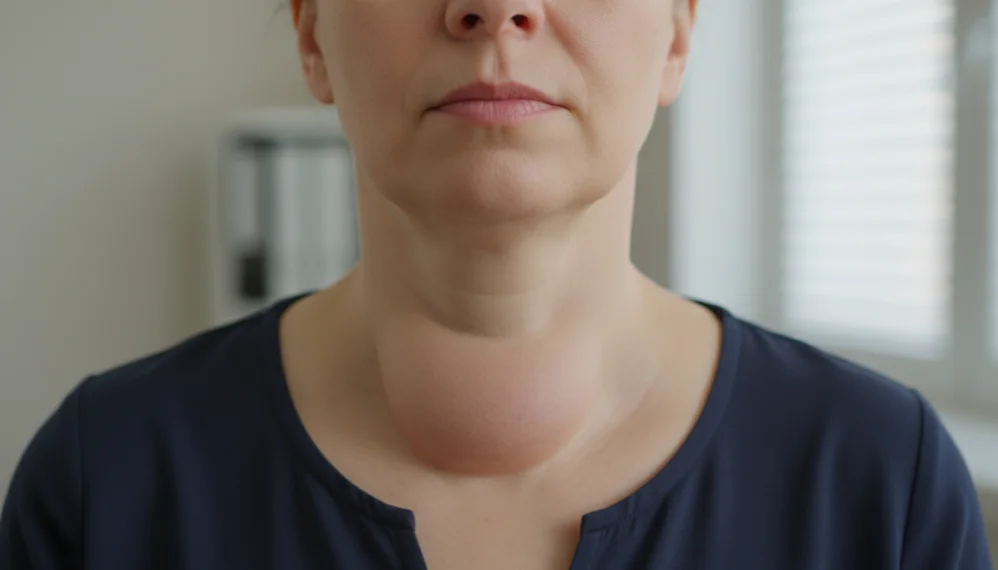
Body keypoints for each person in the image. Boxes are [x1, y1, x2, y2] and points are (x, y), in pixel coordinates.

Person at [1, 0, 994, 567]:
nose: (491, 5)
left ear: (678, 34)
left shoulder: (879, 486)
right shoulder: (106, 485)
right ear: (311, 34)